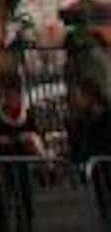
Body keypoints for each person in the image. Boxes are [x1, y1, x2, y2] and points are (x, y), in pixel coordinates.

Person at [0, 80, 46, 232]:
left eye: (15, 96)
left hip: (22, 164)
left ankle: (25, 226)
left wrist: (27, 141)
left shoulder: (26, 114)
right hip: (1, 166)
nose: (12, 99)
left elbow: (35, 136)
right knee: (3, 203)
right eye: (8, 96)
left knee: (25, 200)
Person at [65, 78, 110, 232]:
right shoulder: (81, 117)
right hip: (97, 169)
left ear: (90, 95)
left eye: (79, 95)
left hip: (105, 164)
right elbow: (78, 143)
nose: (77, 99)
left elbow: (101, 140)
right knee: (104, 206)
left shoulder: (104, 113)